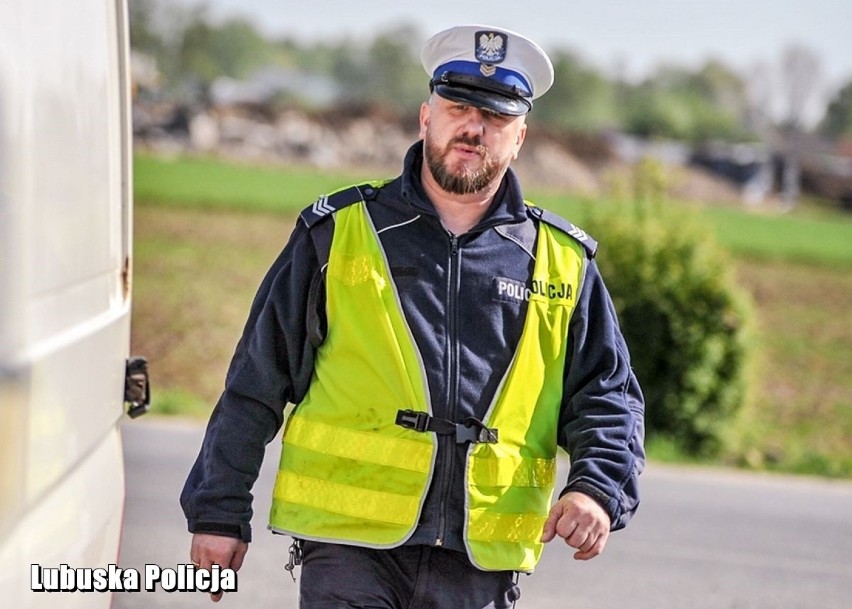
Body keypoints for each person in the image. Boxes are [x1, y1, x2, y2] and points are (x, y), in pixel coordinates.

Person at [181, 24, 645, 608]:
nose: (473, 128)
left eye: (496, 118)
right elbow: (256, 380)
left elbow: (608, 395)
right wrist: (219, 509)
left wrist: (597, 490)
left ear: (520, 136)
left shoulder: (563, 261)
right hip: (349, 551)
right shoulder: (338, 233)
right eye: (458, 108)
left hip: (481, 562)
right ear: (427, 117)